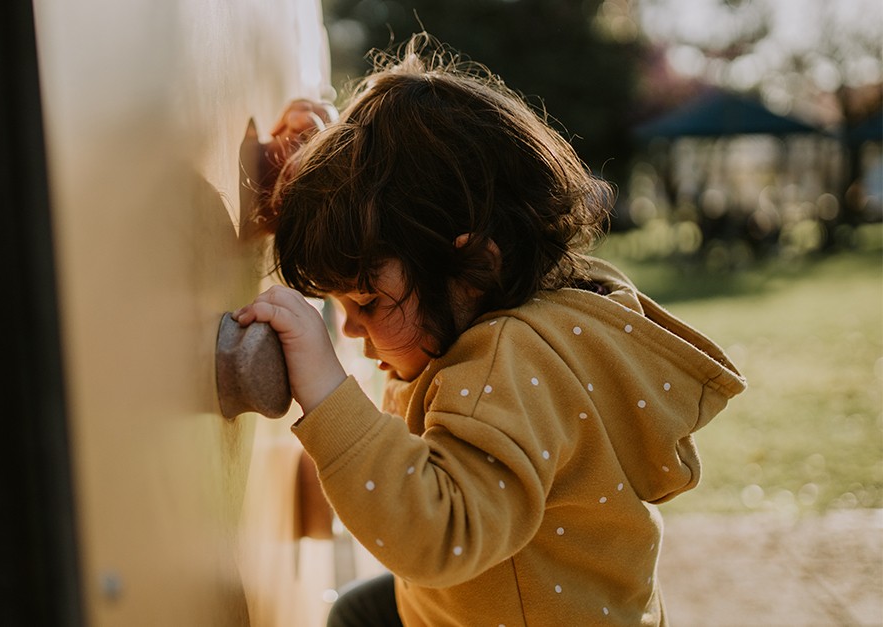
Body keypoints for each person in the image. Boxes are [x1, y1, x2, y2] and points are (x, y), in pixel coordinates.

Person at [234, 33, 747, 626]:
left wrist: (326, 391)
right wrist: (314, 173)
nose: (349, 331)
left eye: (367, 302)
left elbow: (439, 533)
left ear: (475, 265)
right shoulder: (561, 315)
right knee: (359, 613)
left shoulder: (510, 359)